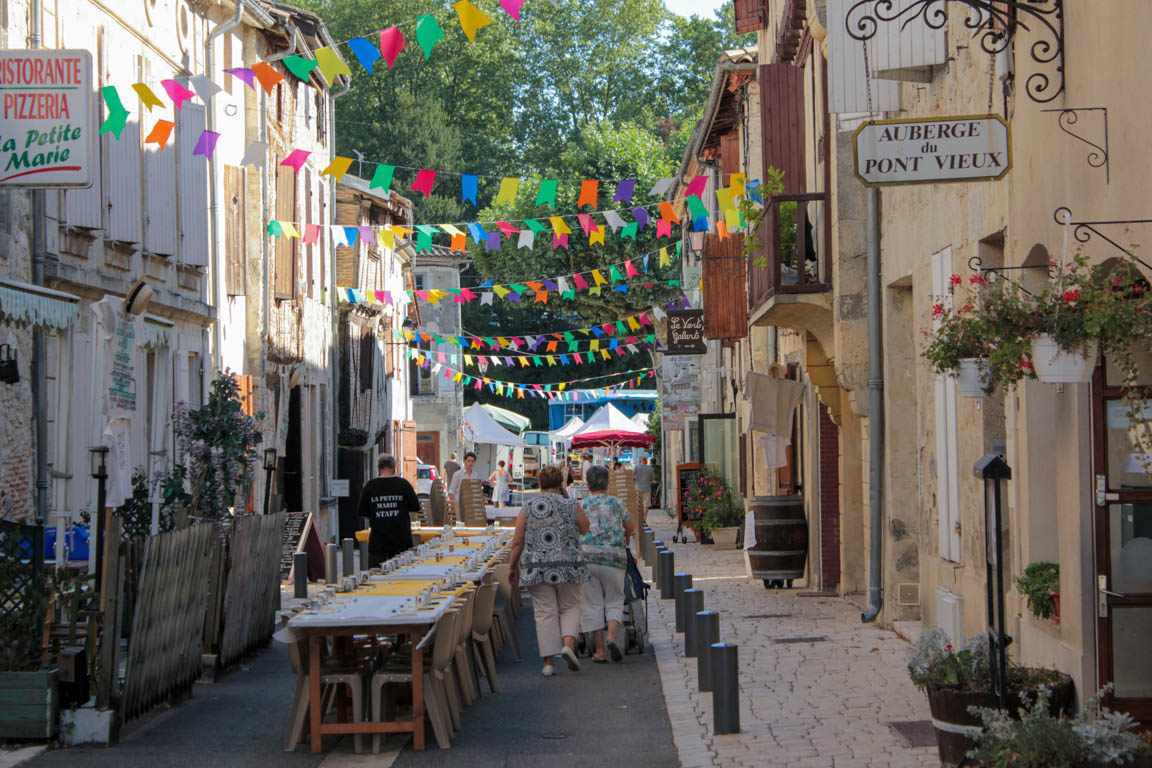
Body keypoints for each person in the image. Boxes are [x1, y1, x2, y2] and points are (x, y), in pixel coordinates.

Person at [508, 465, 589, 677]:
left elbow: (517, 542)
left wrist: (512, 567)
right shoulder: (571, 504)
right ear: (561, 483)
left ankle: (548, 663)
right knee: (570, 606)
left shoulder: (528, 507)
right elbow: (585, 528)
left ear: (540, 484)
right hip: (568, 566)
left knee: (545, 613)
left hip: (537, 568)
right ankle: (568, 645)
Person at [579, 466, 633, 663]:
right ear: (607, 484)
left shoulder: (581, 505)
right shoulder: (617, 503)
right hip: (614, 558)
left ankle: (600, 651)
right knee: (615, 599)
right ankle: (612, 637)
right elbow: (630, 527)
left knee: (592, 603)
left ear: (588, 485)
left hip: (587, 558)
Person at [358, 455, 421, 568]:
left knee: (375, 576)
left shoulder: (370, 486)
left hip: (378, 540)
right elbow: (415, 507)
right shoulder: (403, 485)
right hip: (401, 539)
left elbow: (363, 512)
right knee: (401, 574)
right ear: (394, 468)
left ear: (379, 468)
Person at [634, 456, 654, 522]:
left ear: (640, 460)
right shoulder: (650, 468)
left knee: (638, 504)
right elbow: (651, 479)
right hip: (647, 488)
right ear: (646, 461)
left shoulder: (636, 467)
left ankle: (638, 519)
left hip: (638, 488)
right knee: (646, 504)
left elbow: (633, 476)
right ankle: (644, 519)